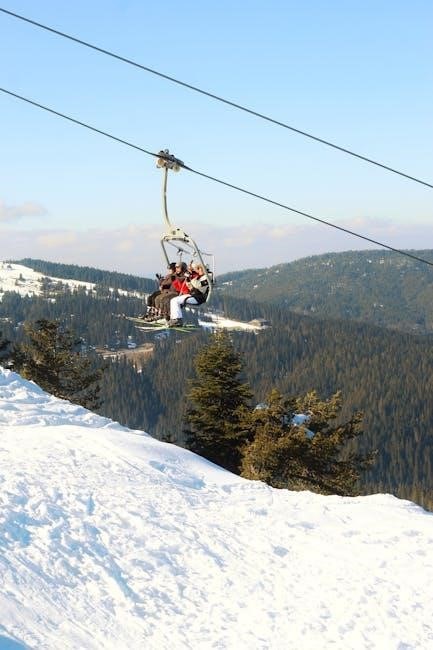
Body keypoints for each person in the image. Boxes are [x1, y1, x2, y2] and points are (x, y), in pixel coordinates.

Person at [168, 262, 209, 327]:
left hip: (199, 298)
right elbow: (191, 287)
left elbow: (197, 285)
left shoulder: (207, 277)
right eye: (198, 268)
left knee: (176, 301)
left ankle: (177, 320)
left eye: (199, 268)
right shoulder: (199, 277)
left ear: (204, 269)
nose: (198, 270)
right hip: (194, 295)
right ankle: (174, 319)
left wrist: (190, 277)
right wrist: (187, 279)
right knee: (173, 300)